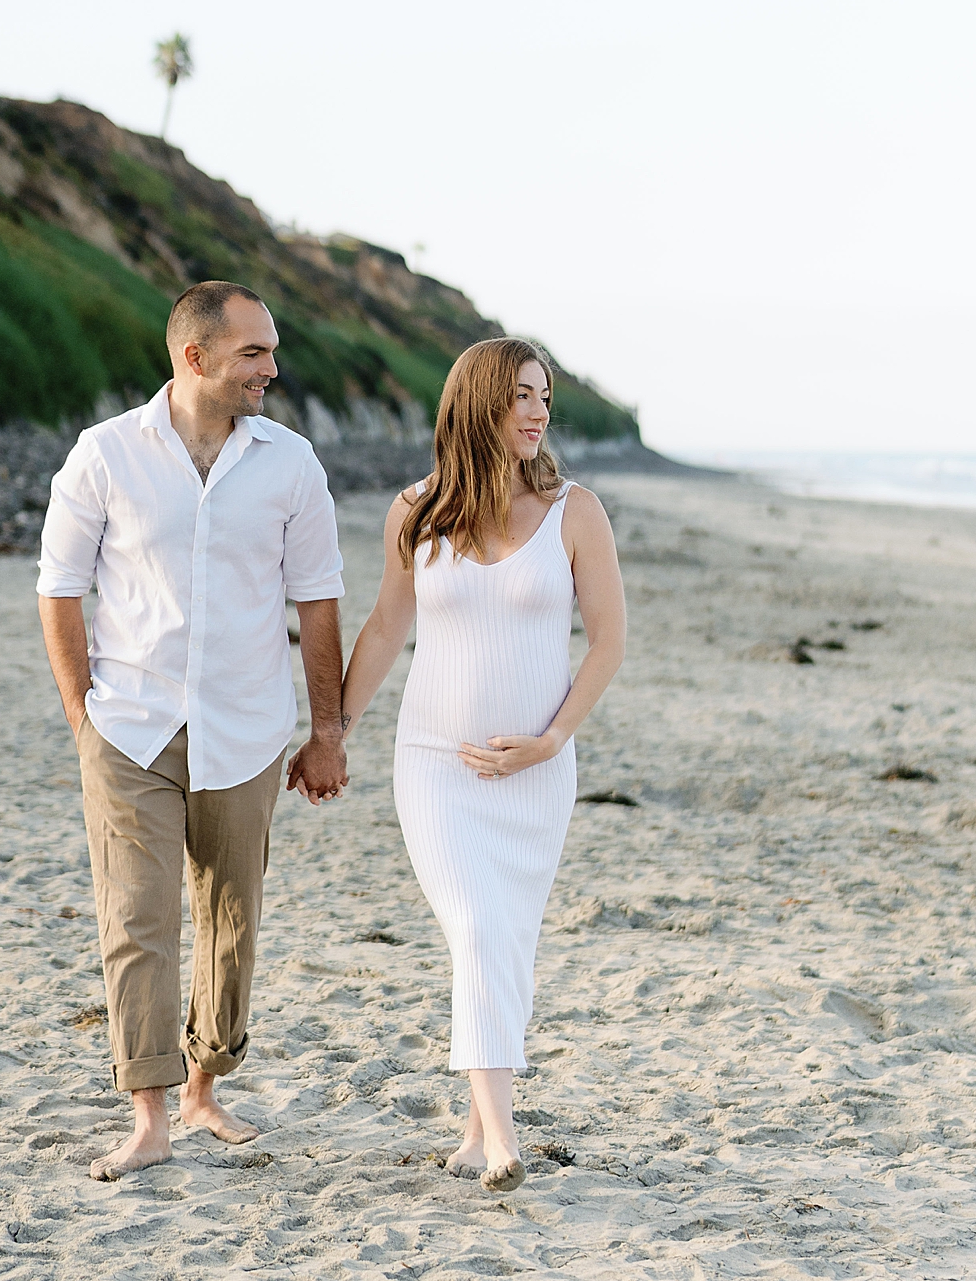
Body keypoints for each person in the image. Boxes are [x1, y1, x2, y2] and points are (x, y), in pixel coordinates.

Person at [37, 281, 348, 1181]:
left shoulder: (290, 464)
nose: (271, 369)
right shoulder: (103, 456)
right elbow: (60, 586)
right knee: (136, 917)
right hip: (130, 726)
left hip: (246, 729)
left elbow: (317, 599)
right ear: (195, 356)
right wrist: (79, 712)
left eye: (272, 351)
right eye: (254, 353)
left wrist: (327, 731)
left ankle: (205, 1088)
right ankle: (148, 1114)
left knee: (231, 920)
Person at [339, 338, 626, 1192]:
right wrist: (334, 729)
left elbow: (608, 643)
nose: (537, 412)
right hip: (435, 764)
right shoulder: (414, 511)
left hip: (536, 771)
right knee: (474, 924)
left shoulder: (577, 511)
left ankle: (471, 1133)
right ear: (477, 406)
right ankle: (504, 1137)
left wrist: (551, 738)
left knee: (506, 938)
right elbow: (387, 627)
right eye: (519, 397)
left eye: (544, 396)